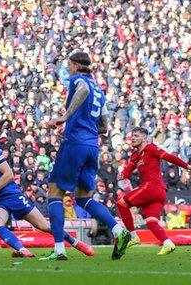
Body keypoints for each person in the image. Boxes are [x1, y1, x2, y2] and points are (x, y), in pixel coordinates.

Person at [0, 126, 94, 258]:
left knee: (44, 226)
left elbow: (8, 175)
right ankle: (22, 249)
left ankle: (76, 243)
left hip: (10, 194)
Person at [46, 52, 129, 261]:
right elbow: (104, 126)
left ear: (74, 65)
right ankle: (118, 230)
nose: (69, 70)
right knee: (83, 197)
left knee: (55, 193)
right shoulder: (99, 90)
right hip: (92, 146)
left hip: (75, 143)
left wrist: (66, 118)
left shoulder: (79, 80)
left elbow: (81, 89)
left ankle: (59, 249)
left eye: (69, 66)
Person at [116, 127, 191, 255]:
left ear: (144, 138)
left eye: (136, 136)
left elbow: (169, 157)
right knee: (151, 222)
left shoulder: (150, 148)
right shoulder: (135, 155)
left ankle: (133, 236)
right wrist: (122, 174)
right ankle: (168, 243)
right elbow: (128, 170)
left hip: (152, 186)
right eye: (132, 136)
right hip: (159, 192)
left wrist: (187, 166)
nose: (132, 138)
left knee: (121, 203)